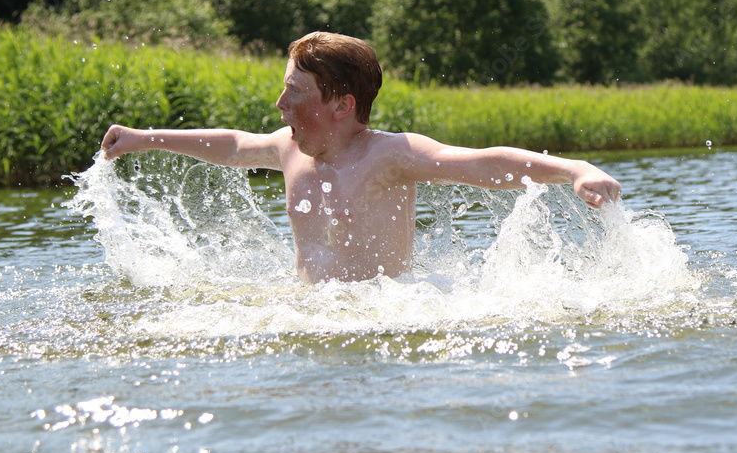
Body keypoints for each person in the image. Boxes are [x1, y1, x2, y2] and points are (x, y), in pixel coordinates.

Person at [101, 32, 622, 283]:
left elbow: (483, 165)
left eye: (295, 93)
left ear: (342, 104)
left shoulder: (391, 156)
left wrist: (576, 170)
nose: (279, 105)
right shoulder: (288, 150)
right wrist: (145, 138)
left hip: (381, 322)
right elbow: (234, 145)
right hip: (314, 322)